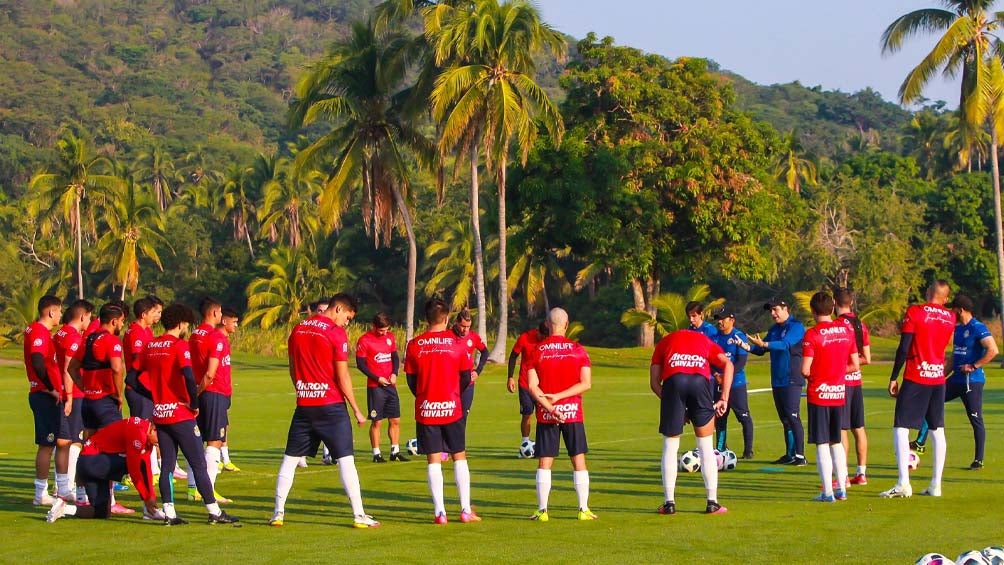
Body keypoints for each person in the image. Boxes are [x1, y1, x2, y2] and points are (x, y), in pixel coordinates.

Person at [269, 293, 379, 528]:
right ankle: (359, 515)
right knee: (346, 460)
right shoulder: (335, 333)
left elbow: (292, 367)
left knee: (289, 460)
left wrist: (302, 389)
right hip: (330, 407)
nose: (346, 323)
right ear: (338, 309)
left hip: (305, 405)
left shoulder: (298, 329)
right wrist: (357, 410)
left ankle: (278, 513)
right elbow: (342, 375)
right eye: (348, 318)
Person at [140, 303, 238, 525]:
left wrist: (154, 395)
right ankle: (214, 512)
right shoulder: (179, 345)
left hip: (160, 413)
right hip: (180, 413)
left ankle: (170, 514)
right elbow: (187, 374)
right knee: (198, 464)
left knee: (167, 465)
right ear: (182, 323)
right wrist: (193, 402)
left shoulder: (151, 346)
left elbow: (132, 378)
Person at [405, 298, 479, 524]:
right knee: (459, 456)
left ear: (426, 319)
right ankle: (465, 510)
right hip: (452, 408)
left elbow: (411, 380)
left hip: (427, 409)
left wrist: (425, 396)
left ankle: (440, 513)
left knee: (433, 460)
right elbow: (466, 376)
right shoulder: (457, 344)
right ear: (447, 319)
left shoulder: (414, 345)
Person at [881, 281, 956, 499]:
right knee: (937, 429)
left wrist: (894, 376)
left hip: (916, 375)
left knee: (901, 428)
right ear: (945, 298)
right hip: (937, 377)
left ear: (928, 292)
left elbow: (904, 347)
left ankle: (904, 482)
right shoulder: (950, 317)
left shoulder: (915, 312)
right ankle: (936, 484)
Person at [651, 328, 733, 515]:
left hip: (674, 382)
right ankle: (712, 502)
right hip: (699, 382)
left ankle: (669, 503)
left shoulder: (664, 342)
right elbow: (728, 364)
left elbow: (655, 382)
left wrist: (674, 406)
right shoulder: (704, 340)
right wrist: (724, 398)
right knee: (705, 446)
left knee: (670, 446)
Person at [526, 308, 596, 521]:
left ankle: (543, 510)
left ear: (548, 324)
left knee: (545, 461)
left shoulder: (537, 351)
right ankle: (583, 509)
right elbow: (586, 383)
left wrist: (549, 405)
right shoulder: (578, 350)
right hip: (572, 412)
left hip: (548, 415)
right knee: (578, 459)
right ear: (566, 325)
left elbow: (532, 386)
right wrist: (560, 397)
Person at [913, 295, 998, 470]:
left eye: (953, 309)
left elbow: (993, 350)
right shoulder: (958, 330)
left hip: (971, 382)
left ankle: (978, 460)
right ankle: (920, 442)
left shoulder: (978, 328)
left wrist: (974, 366)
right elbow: (954, 357)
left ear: (960, 310)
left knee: (975, 419)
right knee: (930, 402)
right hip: (955, 380)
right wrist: (939, 376)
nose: (952, 312)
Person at [46, 417, 163, 522]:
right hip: (93, 462)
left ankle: (64, 509)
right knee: (136, 463)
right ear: (153, 429)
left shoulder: (147, 439)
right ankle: (148, 510)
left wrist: (150, 496)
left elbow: (147, 469)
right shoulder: (138, 432)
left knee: (102, 512)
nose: (160, 443)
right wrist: (146, 497)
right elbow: (135, 470)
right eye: (160, 437)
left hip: (93, 464)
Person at [801, 291, 859, 502]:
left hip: (819, 394)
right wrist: (836, 372)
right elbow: (855, 364)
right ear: (833, 307)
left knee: (822, 443)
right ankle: (842, 488)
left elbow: (806, 370)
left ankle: (827, 492)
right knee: (836, 442)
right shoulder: (846, 330)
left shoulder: (812, 334)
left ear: (813, 311)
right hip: (839, 393)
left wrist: (822, 372)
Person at [748, 297, 807, 465]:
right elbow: (761, 349)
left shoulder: (796, 326)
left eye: (776, 310)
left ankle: (800, 456)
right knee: (785, 419)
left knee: (793, 416)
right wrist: (746, 346)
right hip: (777, 380)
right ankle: (790, 454)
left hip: (792, 378)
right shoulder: (774, 329)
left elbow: (785, 344)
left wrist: (764, 344)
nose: (773, 314)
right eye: (771, 311)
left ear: (785, 308)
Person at [24, 295, 67, 506]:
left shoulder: (35, 330)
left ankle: (52, 489)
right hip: (43, 394)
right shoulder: (39, 331)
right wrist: (51, 388)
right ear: (51, 311)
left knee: (51, 443)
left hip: (42, 393)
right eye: (59, 311)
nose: (60, 314)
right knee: (46, 445)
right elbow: (37, 360)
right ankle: (40, 493)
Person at [187, 297, 230, 502]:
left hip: (201, 391)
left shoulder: (194, 334)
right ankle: (208, 490)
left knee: (196, 440)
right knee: (215, 440)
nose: (222, 316)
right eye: (220, 312)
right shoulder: (216, 336)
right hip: (213, 391)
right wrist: (198, 391)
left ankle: (192, 487)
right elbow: (210, 373)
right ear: (214, 313)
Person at [53, 299, 95, 504]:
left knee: (65, 440)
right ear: (82, 316)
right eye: (89, 317)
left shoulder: (59, 333)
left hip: (63, 392)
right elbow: (68, 368)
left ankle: (61, 484)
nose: (90, 321)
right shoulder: (72, 338)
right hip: (73, 395)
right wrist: (70, 396)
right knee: (73, 441)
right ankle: (65, 486)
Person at [356, 312, 407, 463]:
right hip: (375, 387)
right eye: (381, 331)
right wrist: (377, 378)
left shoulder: (390, 337)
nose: (384, 333)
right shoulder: (364, 340)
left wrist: (394, 373)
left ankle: (395, 451)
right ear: (373, 326)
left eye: (386, 330)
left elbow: (395, 358)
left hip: (391, 385)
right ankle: (376, 454)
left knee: (395, 420)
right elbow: (360, 364)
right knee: (377, 421)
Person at [71, 303, 127, 438]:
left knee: (90, 444)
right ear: (114, 321)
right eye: (122, 321)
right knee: (113, 442)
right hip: (105, 401)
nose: (122, 325)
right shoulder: (112, 340)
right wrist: (119, 395)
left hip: (88, 401)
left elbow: (71, 368)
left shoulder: (88, 340)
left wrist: (84, 388)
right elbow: (117, 369)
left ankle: (84, 460)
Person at [834, 288, 872, 485]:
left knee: (842, 429)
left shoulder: (838, 326)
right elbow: (867, 358)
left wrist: (837, 367)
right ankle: (862, 473)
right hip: (857, 381)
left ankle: (844, 477)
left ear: (834, 303)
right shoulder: (860, 325)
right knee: (859, 427)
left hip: (842, 383)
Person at [711, 304, 754, 459]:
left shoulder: (738, 337)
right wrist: (716, 375)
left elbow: (741, 362)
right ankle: (721, 448)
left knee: (743, 416)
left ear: (732, 320)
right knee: (720, 416)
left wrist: (726, 377)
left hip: (736, 384)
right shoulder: (714, 338)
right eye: (718, 319)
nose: (720, 322)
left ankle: (748, 450)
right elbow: (709, 361)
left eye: (722, 319)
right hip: (718, 383)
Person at [508, 323, 548, 456]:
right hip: (525, 383)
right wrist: (510, 377)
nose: (543, 339)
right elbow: (513, 356)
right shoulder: (525, 338)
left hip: (542, 385)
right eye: (542, 336)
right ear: (538, 332)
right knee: (527, 414)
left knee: (542, 415)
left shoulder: (549, 342)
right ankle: (525, 442)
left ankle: (541, 445)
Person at [124, 297, 157, 420]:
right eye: (152, 313)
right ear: (143, 315)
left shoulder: (146, 330)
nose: (154, 316)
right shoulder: (135, 332)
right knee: (142, 431)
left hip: (147, 386)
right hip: (138, 387)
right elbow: (137, 358)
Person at [453, 308, 488, 418]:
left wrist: (478, 371)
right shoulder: (448, 336)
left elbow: (485, 352)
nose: (465, 330)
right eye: (463, 326)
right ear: (457, 323)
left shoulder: (473, 337)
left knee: (463, 417)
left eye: (468, 327)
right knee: (450, 418)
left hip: (468, 384)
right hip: (451, 383)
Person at [217, 308, 241, 472]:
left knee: (225, 424)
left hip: (225, 390)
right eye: (234, 322)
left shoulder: (225, 339)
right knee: (217, 426)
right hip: (216, 390)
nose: (236, 326)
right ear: (224, 321)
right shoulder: (216, 338)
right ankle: (218, 459)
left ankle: (225, 458)